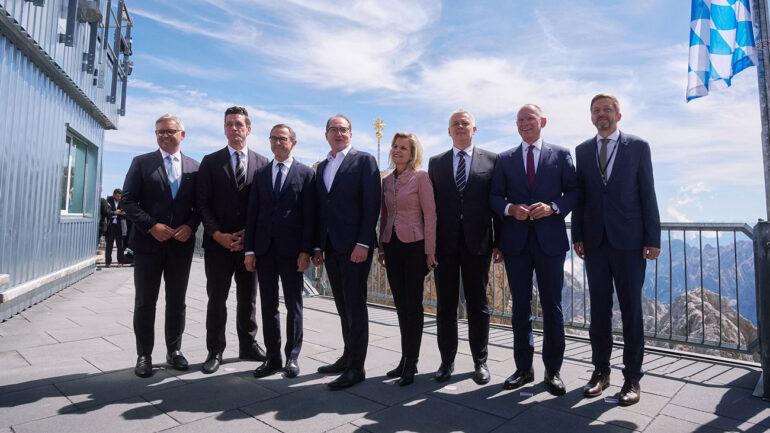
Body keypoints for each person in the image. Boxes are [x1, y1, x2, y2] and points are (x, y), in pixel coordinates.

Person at [572, 94, 661, 406]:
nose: (602, 114)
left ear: (618, 115)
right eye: (596, 110)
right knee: (598, 311)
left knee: (631, 311)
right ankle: (601, 372)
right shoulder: (582, 151)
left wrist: (653, 239)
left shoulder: (638, 147)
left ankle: (632, 378)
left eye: (607, 109)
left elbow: (648, 193)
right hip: (595, 242)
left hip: (630, 242)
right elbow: (581, 197)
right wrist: (578, 235)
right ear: (591, 117)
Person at [489, 104, 578, 395]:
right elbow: (494, 197)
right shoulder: (505, 159)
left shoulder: (561, 154)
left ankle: (553, 371)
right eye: (520, 120)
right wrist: (510, 208)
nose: (525, 123)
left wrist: (553, 207)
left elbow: (574, 193)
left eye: (530, 118)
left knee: (552, 308)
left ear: (543, 121)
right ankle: (523, 369)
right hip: (515, 243)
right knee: (520, 308)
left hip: (550, 242)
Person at [121, 114, 200, 378]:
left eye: (169, 131)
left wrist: (190, 226)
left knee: (177, 301)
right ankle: (144, 355)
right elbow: (127, 201)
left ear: (182, 135)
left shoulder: (195, 168)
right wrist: (152, 226)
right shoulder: (142, 163)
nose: (164, 135)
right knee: (145, 301)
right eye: (159, 132)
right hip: (148, 245)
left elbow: (201, 206)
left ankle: (174, 351)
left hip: (180, 246)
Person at [427, 110, 499, 385]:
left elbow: (496, 203)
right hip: (444, 244)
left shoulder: (492, 160)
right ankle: (447, 361)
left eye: (465, 123)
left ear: (474, 129)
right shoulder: (436, 163)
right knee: (445, 306)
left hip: (478, 243)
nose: (460, 127)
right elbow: (431, 208)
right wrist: (430, 245)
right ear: (449, 131)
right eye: (455, 124)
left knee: (478, 305)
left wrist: (499, 243)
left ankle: (480, 361)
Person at [197, 106, 269, 374]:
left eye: (239, 124)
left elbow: (265, 205)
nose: (234, 128)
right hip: (218, 244)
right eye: (229, 124)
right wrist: (217, 234)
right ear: (224, 128)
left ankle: (248, 344)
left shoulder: (263, 163)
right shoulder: (210, 162)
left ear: (248, 128)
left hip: (249, 246)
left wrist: (249, 234)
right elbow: (202, 204)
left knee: (248, 298)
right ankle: (215, 350)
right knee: (217, 299)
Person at [312, 114, 381, 389]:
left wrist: (363, 243)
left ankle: (356, 368)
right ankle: (347, 356)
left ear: (351, 133)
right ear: (326, 134)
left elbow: (372, 204)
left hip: (355, 248)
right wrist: (317, 245)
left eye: (343, 129)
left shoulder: (364, 161)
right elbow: (321, 208)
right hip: (331, 246)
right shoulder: (322, 166)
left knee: (355, 305)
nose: (339, 133)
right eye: (334, 129)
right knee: (342, 305)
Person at [244, 124, 315, 379]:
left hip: (293, 252)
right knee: (268, 305)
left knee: (294, 305)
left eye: (282, 138)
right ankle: (272, 357)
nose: (277, 142)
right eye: (273, 138)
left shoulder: (306, 174)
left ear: (293, 142)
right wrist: (249, 250)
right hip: (264, 250)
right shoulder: (261, 174)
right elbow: (253, 214)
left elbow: (310, 216)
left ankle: (292, 357)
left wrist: (306, 250)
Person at [378, 132, 436, 386]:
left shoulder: (421, 178)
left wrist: (430, 251)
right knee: (401, 305)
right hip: (392, 246)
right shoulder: (386, 181)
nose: (397, 150)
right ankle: (404, 359)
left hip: (415, 246)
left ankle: (411, 362)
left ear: (413, 153)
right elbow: (384, 216)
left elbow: (430, 215)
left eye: (403, 147)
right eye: (395, 146)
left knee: (413, 305)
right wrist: (381, 248)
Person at [105, 188, 127, 267]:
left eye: (120, 196)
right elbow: (107, 212)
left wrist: (123, 213)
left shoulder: (124, 201)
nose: (119, 198)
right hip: (111, 225)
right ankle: (108, 262)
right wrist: (114, 212)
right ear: (114, 195)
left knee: (120, 245)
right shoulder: (109, 200)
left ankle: (120, 262)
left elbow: (127, 212)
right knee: (109, 245)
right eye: (117, 196)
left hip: (120, 226)